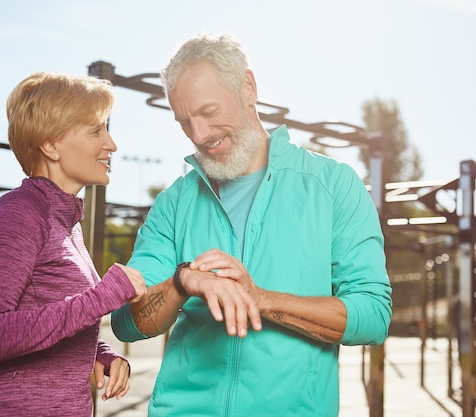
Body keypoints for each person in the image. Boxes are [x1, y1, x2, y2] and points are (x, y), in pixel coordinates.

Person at [111, 32, 392, 416]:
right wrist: (181, 283)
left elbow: (372, 315)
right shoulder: (174, 203)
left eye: (209, 112)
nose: (198, 135)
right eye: (184, 122)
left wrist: (262, 300)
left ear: (248, 87)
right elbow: (127, 322)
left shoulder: (334, 186)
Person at [0, 71, 146, 417]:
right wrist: (102, 297)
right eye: (96, 130)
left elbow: (54, 319)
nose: (111, 143)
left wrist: (99, 354)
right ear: (50, 145)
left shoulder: (66, 222)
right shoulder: (17, 214)